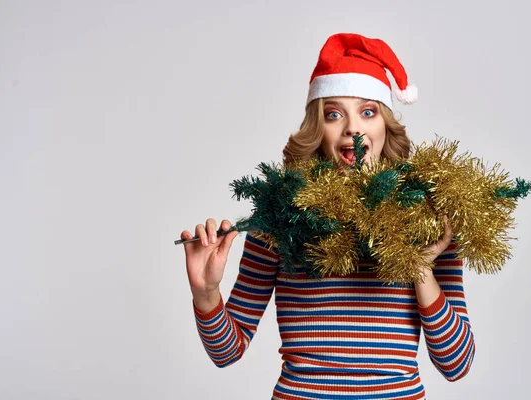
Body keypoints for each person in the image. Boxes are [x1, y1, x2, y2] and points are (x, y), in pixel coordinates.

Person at [180, 33, 475, 400]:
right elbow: (227, 352)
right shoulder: (279, 219)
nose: (353, 128)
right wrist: (206, 293)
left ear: (385, 124)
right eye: (334, 114)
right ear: (318, 131)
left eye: (368, 111)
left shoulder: (430, 220)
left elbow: (456, 364)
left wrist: (419, 267)